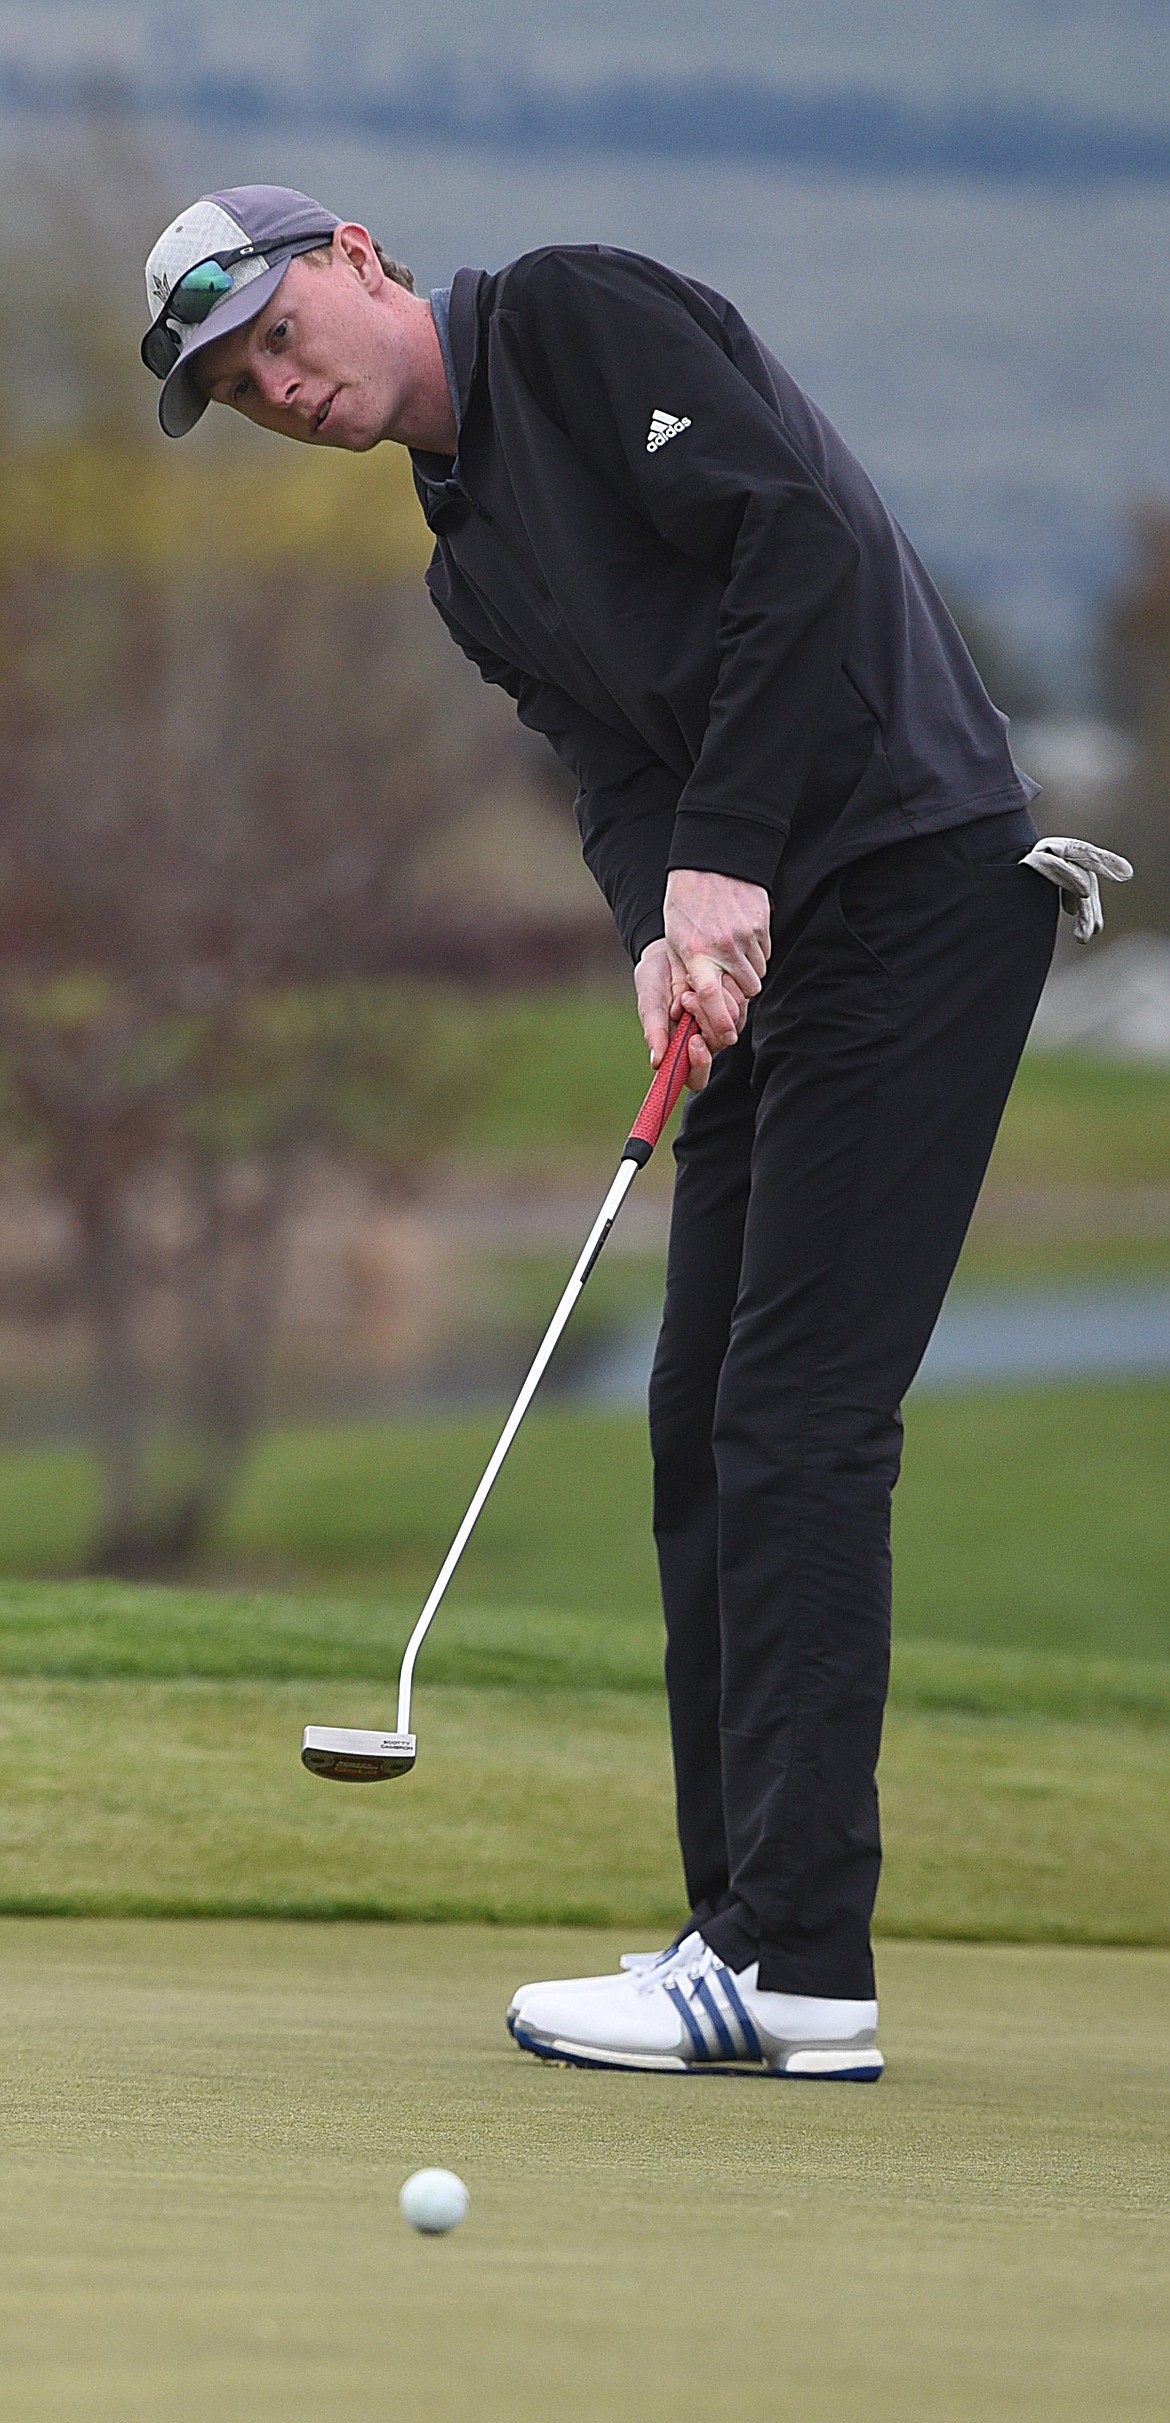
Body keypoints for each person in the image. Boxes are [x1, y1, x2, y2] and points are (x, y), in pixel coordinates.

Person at [142, 185, 1129, 2080]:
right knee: (700, 1416)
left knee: (799, 1415)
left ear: (354, 256)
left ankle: (801, 1967)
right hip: (772, 939)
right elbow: (615, 767)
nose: (282, 387)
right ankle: (733, 1927)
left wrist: (722, 862)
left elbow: (798, 547)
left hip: (916, 888)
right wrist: (657, 942)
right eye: (243, 384)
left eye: (279, 334)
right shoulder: (462, 560)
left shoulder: (576, 322)